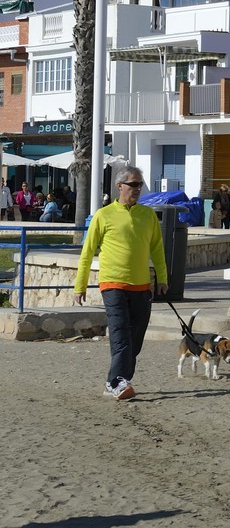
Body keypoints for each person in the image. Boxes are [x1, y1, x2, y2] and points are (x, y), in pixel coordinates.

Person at [72, 166, 166, 401]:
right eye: (133, 184)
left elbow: (157, 249)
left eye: (139, 185)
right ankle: (118, 382)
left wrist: (163, 279)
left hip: (141, 286)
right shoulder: (103, 215)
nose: (137, 189)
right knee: (120, 333)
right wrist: (79, 285)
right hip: (112, 284)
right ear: (119, 186)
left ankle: (116, 380)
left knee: (136, 338)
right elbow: (87, 252)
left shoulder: (148, 215)